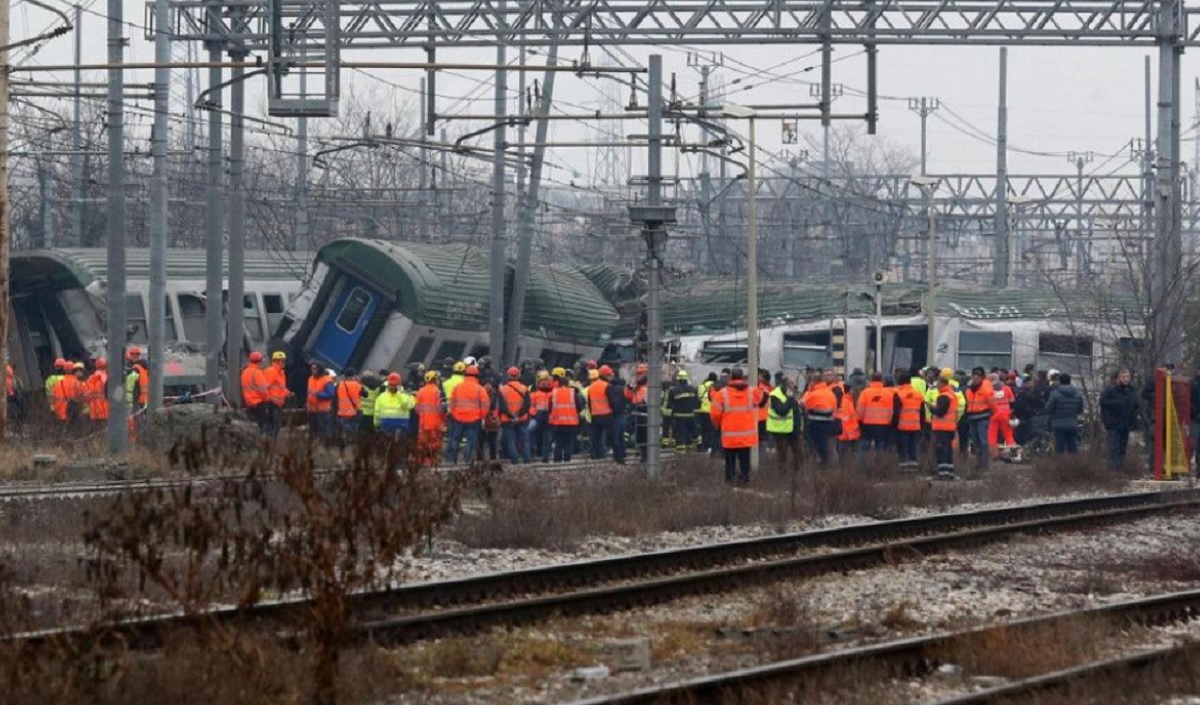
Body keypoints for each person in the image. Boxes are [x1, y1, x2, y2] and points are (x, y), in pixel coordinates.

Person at [710, 368, 762, 485]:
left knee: (730, 460)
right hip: (746, 436)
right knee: (744, 460)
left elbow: (714, 414)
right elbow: (762, 397)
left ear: (731, 377)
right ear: (742, 377)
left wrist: (717, 426)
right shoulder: (752, 392)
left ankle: (730, 480)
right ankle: (744, 480)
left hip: (729, 435)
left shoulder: (722, 394)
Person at [447, 366, 489, 463]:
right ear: (477, 376)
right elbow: (485, 404)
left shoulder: (457, 387)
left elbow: (452, 402)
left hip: (458, 418)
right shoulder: (480, 389)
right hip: (474, 419)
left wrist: (454, 414)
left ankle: (451, 460)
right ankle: (466, 461)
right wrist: (482, 416)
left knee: (455, 439)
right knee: (471, 441)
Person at [1100, 368, 1140, 470]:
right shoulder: (1111, 390)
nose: (1125, 379)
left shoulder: (1131, 390)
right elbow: (1103, 402)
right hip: (1113, 423)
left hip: (1126, 423)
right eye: (1123, 377)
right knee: (1114, 447)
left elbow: (1135, 405)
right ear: (1118, 378)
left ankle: (1120, 469)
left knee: (1122, 448)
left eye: (1127, 377)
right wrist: (1118, 404)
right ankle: (1112, 470)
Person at [803, 369, 839, 466]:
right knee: (826, 445)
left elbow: (805, 406)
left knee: (815, 446)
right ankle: (827, 464)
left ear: (813, 382)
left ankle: (819, 464)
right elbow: (834, 409)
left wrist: (809, 390)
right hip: (828, 424)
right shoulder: (830, 394)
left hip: (814, 424)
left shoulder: (812, 394)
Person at [767, 375, 802, 472]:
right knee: (782, 457)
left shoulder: (795, 394)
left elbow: (799, 410)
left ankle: (798, 477)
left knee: (799, 455)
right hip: (781, 431)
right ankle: (783, 479)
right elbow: (781, 410)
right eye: (791, 383)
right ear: (785, 384)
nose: (794, 385)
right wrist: (790, 399)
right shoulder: (775, 395)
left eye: (794, 383)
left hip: (794, 430)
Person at [1045, 372, 1085, 454]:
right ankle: (1075, 465)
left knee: (1059, 449)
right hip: (1072, 424)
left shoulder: (1055, 394)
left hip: (1058, 424)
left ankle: (1060, 465)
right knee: (1073, 448)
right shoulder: (1078, 395)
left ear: (1060, 381)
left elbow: (1048, 408)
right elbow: (1080, 410)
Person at [498, 367, 532, 464]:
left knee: (511, 441)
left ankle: (514, 461)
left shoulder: (503, 389)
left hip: (508, 419)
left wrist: (511, 415)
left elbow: (501, 406)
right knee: (524, 440)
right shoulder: (524, 388)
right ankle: (527, 460)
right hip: (521, 419)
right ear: (518, 376)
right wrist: (518, 415)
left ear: (508, 375)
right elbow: (527, 404)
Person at [856, 372, 897, 452]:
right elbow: (890, 411)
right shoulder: (888, 394)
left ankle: (863, 463)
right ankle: (880, 463)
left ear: (871, 380)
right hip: (883, 425)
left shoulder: (865, 393)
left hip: (867, 424)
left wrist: (860, 420)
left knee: (864, 447)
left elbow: (860, 409)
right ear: (882, 380)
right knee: (880, 447)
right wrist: (889, 422)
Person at [930, 369, 959, 480]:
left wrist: (931, 408)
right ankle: (949, 472)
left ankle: (942, 474)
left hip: (942, 428)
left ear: (942, 383)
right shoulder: (951, 394)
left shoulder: (943, 396)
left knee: (941, 450)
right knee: (948, 450)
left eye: (938, 383)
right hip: (950, 427)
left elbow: (940, 412)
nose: (936, 385)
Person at [549, 373, 585, 462]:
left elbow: (550, 407)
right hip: (571, 422)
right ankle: (567, 459)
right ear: (568, 383)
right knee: (568, 442)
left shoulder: (554, 393)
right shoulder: (573, 393)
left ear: (559, 383)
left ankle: (557, 459)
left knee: (558, 442)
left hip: (557, 422)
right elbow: (579, 406)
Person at [963, 368, 994, 469]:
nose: (975, 379)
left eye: (978, 377)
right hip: (972, 417)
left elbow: (992, 404)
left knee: (983, 441)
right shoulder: (969, 389)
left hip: (982, 417)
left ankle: (984, 465)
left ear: (982, 378)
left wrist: (990, 414)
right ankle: (978, 463)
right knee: (975, 442)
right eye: (974, 376)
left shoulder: (986, 389)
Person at [414, 370, 446, 463]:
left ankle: (422, 461)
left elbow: (417, 408)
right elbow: (441, 409)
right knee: (434, 444)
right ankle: (431, 461)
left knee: (422, 443)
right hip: (436, 424)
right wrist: (444, 419)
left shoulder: (420, 391)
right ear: (435, 380)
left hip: (423, 424)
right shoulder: (438, 392)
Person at [894, 375, 925, 469]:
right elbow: (922, 412)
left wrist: (894, 425)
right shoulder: (918, 394)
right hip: (915, 426)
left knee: (903, 449)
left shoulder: (898, 393)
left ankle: (904, 469)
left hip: (902, 426)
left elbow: (896, 412)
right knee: (913, 448)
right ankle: (914, 468)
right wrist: (921, 425)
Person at [374, 373, 416, 437]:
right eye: (391, 384)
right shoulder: (381, 397)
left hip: (401, 426)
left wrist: (399, 393)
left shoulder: (405, 395)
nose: (392, 387)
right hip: (386, 426)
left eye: (394, 385)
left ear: (399, 385)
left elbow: (408, 405)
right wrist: (377, 424)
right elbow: (377, 412)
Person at [588, 365, 616, 459]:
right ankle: (615, 455)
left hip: (595, 415)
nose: (611, 377)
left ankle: (595, 456)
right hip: (607, 415)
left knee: (596, 438)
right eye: (609, 375)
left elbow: (589, 403)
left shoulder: (591, 387)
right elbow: (612, 401)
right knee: (611, 436)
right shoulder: (607, 386)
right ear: (605, 375)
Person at [668, 370, 699, 453]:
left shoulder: (674, 390)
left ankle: (680, 450)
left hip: (679, 416)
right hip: (691, 415)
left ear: (678, 379)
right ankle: (695, 447)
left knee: (680, 432)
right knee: (692, 431)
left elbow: (670, 404)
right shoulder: (693, 389)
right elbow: (697, 402)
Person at [987, 372, 1016, 459]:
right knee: (1008, 435)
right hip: (1005, 414)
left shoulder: (989, 389)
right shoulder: (1006, 388)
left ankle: (993, 454)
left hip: (993, 414)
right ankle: (1013, 453)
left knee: (992, 435)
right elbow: (1012, 400)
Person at [262, 351, 290, 439]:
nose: (284, 363)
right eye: (283, 361)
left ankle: (271, 443)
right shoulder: (271, 371)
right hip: (272, 403)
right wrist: (269, 399)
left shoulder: (281, 372)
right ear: (276, 361)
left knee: (276, 425)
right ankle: (269, 443)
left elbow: (280, 387)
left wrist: (288, 393)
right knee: (273, 425)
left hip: (278, 403)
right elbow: (265, 387)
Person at [306, 363, 336, 440]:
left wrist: (317, 394)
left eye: (314, 368)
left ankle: (323, 445)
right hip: (311, 410)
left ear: (319, 369)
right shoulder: (310, 378)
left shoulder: (327, 380)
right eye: (312, 368)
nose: (312, 370)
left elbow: (330, 394)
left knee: (322, 431)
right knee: (312, 431)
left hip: (322, 411)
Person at [334, 367, 365, 441]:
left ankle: (343, 440)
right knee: (353, 428)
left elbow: (335, 396)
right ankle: (351, 441)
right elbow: (365, 394)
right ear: (354, 376)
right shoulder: (358, 385)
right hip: (355, 411)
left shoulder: (339, 384)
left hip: (342, 411)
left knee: (344, 427)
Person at [529, 372, 553, 462]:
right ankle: (533, 452)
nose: (545, 383)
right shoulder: (535, 394)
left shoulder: (553, 393)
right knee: (530, 432)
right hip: (538, 417)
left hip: (548, 418)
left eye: (546, 381)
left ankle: (545, 456)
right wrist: (535, 414)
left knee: (547, 438)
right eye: (542, 381)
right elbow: (531, 406)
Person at [241, 351, 267, 431]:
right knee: (261, 425)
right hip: (258, 403)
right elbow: (263, 390)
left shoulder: (244, 372)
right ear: (260, 361)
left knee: (252, 426)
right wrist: (266, 400)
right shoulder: (257, 373)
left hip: (248, 402)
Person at [85, 358, 108, 430]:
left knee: (95, 428)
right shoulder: (108, 377)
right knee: (104, 427)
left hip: (93, 406)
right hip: (106, 406)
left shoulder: (90, 378)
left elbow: (86, 394)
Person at [697, 372, 716, 453]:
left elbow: (699, 397)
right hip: (711, 410)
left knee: (702, 430)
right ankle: (709, 446)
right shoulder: (715, 386)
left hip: (701, 410)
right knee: (710, 430)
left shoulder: (701, 385)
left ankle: (702, 445)